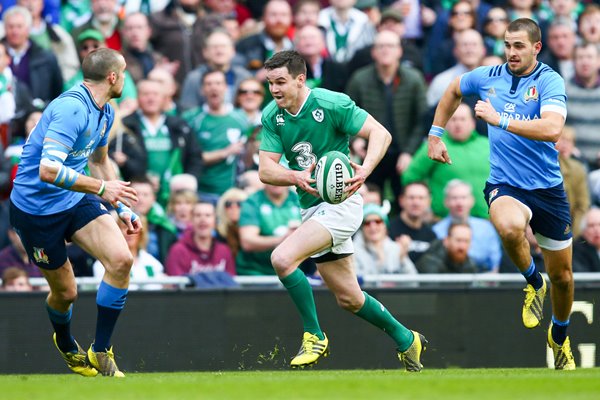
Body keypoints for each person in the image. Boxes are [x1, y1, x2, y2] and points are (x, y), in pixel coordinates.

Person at [258, 50, 426, 371]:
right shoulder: (272, 116)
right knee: (350, 298)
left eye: (281, 82)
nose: (275, 89)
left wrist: (365, 171)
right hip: (311, 209)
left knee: (282, 259)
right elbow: (266, 170)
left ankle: (314, 335)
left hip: (341, 204)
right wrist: (293, 175)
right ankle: (407, 339)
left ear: (300, 79)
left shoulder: (330, 103)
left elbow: (381, 133)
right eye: (270, 83)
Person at [427, 18, 575, 370]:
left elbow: (553, 127)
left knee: (564, 279)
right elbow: (452, 90)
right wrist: (435, 134)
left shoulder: (549, 80)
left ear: (536, 48)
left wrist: (500, 119)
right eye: (508, 44)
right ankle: (531, 282)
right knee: (509, 227)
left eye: (519, 46)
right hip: (505, 184)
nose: (511, 52)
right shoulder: (487, 76)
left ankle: (559, 334)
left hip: (548, 189)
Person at [9, 47, 142, 377]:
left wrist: (121, 205)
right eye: (123, 72)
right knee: (65, 293)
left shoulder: (106, 111)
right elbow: (48, 170)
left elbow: (97, 161)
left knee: (121, 260)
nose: (125, 78)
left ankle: (100, 350)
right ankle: (67, 343)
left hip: (74, 197)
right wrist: (102, 190)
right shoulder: (72, 109)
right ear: (112, 77)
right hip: (37, 211)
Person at [403, 103, 490, 219]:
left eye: (463, 119)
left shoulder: (487, 145)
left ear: (473, 123)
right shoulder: (435, 145)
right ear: (446, 123)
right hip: (443, 221)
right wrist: (425, 206)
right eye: (453, 119)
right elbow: (410, 177)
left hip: (486, 219)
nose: (458, 124)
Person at [432, 180, 502, 273]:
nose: (459, 203)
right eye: (454, 198)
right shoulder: (437, 230)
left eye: (463, 198)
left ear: (472, 201)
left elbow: (495, 265)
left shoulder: (486, 229)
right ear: (446, 202)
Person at [236, 184, 303, 276]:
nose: (276, 182)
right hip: (256, 271)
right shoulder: (253, 202)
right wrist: (282, 240)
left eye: (281, 176)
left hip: (293, 270)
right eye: (272, 177)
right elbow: (247, 242)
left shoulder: (299, 200)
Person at [353, 203, 418, 277]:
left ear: (385, 226)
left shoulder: (396, 248)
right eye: (367, 223)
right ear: (362, 228)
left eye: (378, 221)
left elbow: (413, 282)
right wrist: (380, 263)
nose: (373, 227)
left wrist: (402, 258)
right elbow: (356, 282)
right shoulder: (353, 251)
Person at [388, 182, 437, 265]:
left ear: (429, 202)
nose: (416, 203)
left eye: (421, 198)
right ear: (401, 200)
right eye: (411, 198)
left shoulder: (431, 235)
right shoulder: (387, 230)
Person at [572, 208, 600, 273]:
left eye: (599, 225)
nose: (596, 230)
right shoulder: (576, 250)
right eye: (591, 226)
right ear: (583, 230)